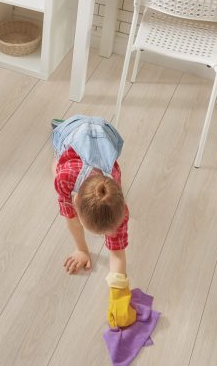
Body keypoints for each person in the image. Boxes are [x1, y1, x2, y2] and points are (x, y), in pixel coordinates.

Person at [52, 115, 136, 328]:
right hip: (69, 133)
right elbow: (71, 219)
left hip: (106, 133)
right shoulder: (65, 180)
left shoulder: (117, 203)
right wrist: (81, 249)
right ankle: (58, 126)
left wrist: (119, 295)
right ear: (75, 202)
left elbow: (117, 252)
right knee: (56, 162)